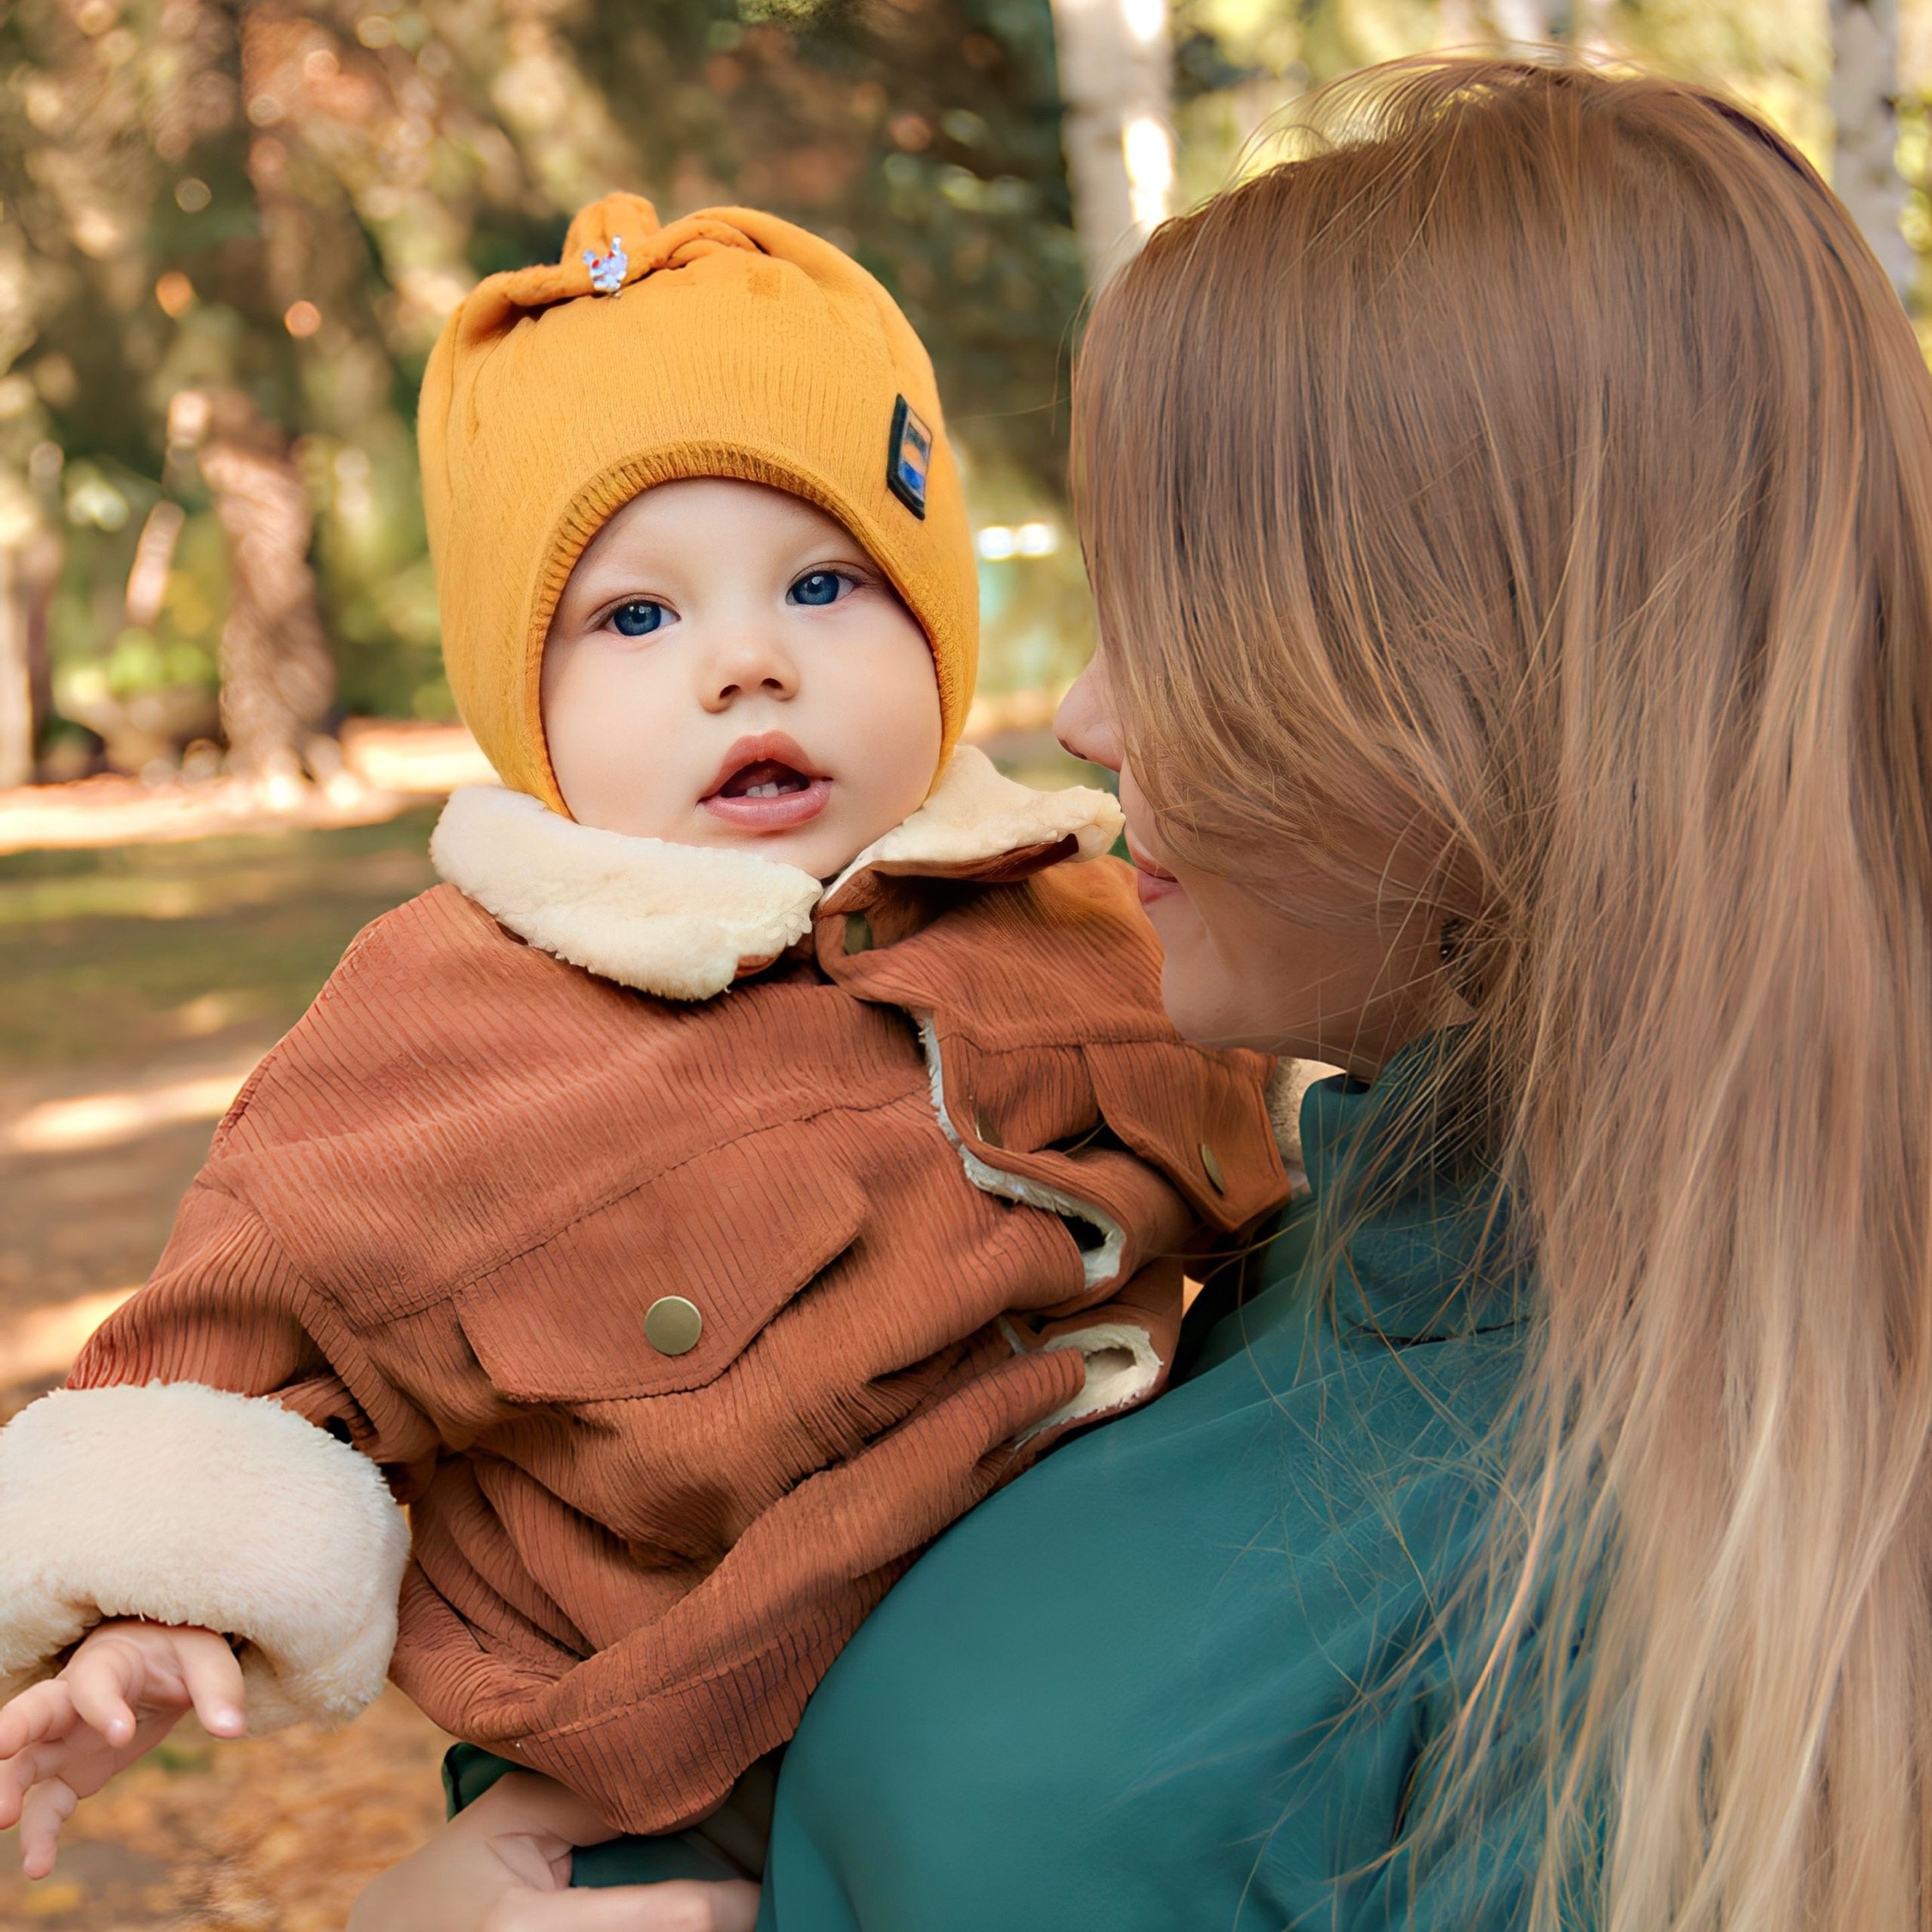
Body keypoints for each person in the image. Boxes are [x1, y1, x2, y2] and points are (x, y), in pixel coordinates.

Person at [353, 54, 1932, 1932]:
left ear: (1479, 691)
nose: (1085, 717)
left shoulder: (1650, 1578)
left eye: (1190, 621)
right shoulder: (1277, 1233)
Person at [0, 197, 1290, 1883]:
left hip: (1101, 1678)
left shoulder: (1078, 911)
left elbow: (1269, 1207)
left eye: (823, 582)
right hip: (673, 1774)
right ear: (519, 699)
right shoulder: (446, 1023)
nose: (746, 662)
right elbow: (245, 1342)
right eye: (634, 618)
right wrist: (145, 1615)